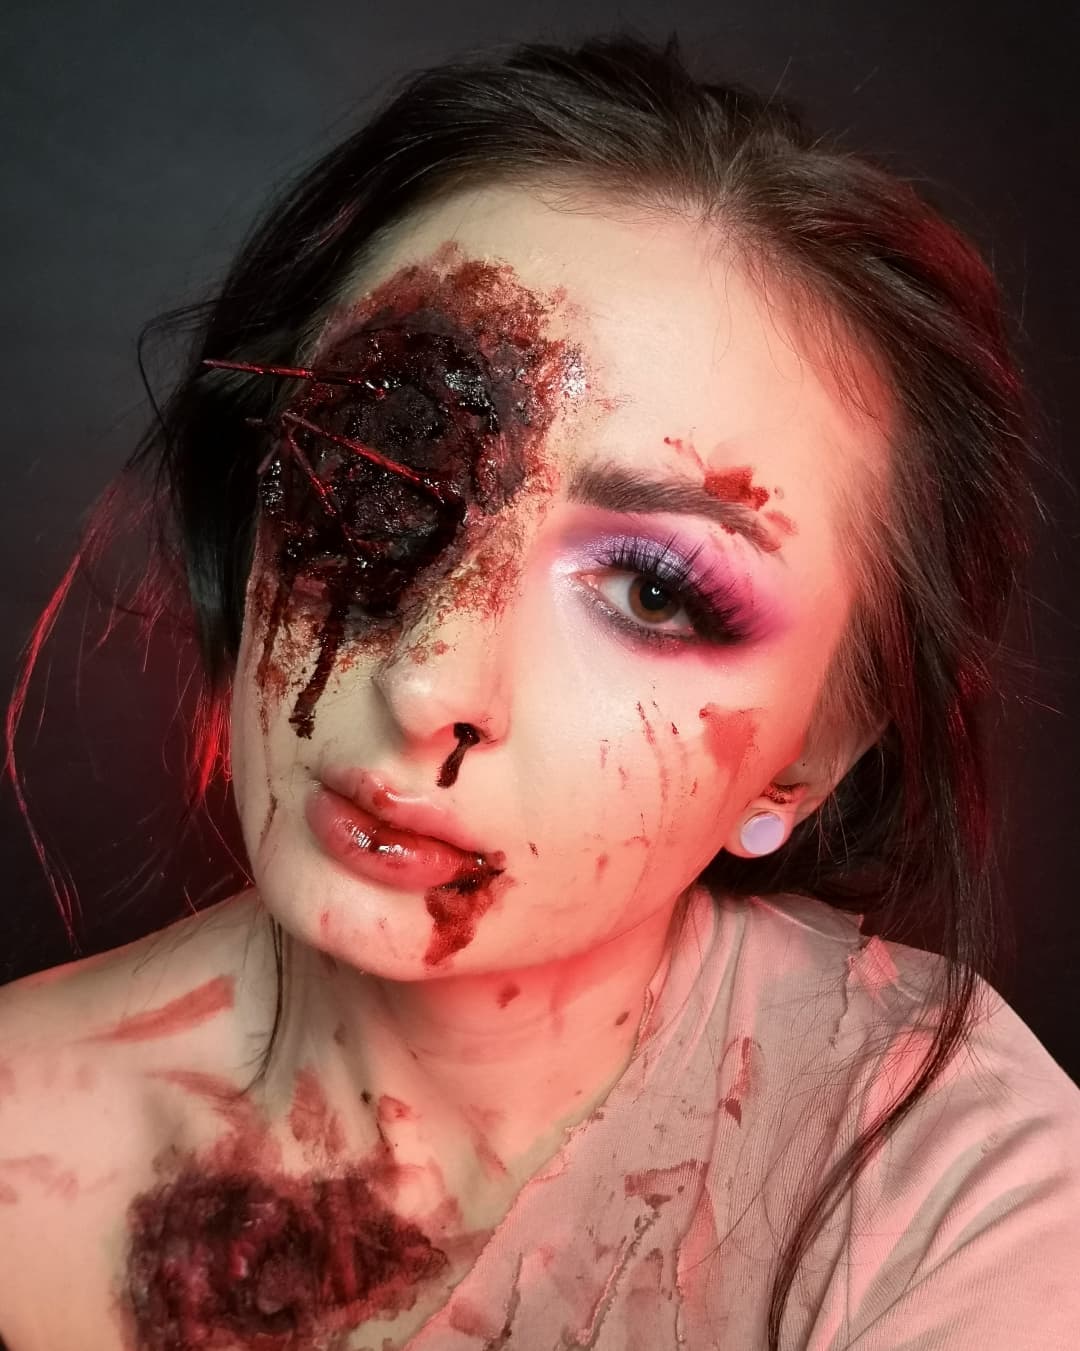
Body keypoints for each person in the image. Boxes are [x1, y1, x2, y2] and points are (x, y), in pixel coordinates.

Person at [1, 32, 1077, 1351]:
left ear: (818, 750)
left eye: (652, 593)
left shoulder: (952, 1191)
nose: (429, 680)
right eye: (383, 459)